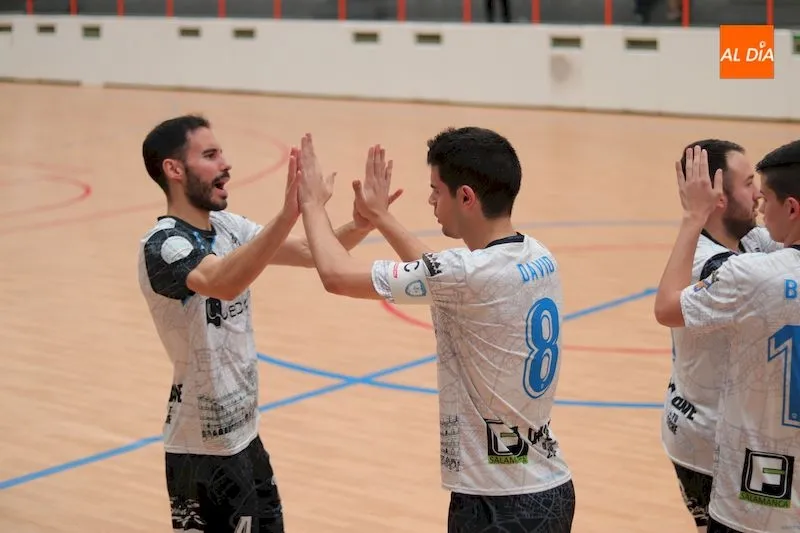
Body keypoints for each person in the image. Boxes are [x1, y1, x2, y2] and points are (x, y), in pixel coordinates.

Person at [294, 128, 575, 532]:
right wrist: (380, 217)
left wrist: (312, 204)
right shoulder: (536, 254)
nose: (430, 201)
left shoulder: (467, 274)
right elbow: (443, 279)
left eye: (435, 191)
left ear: (466, 197)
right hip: (545, 486)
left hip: (499, 505)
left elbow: (337, 276)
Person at [136, 114, 401, 533]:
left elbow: (311, 252)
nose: (226, 163)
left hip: (245, 436)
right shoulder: (163, 245)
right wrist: (291, 212)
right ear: (174, 170)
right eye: (209, 155)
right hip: (202, 451)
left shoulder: (227, 226)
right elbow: (222, 282)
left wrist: (363, 223)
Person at [654, 141, 800, 533]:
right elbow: (667, 308)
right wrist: (691, 216)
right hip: (706, 440)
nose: (758, 196)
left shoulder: (750, 242)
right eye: (750, 184)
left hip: (739, 431)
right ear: (716, 198)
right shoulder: (710, 262)